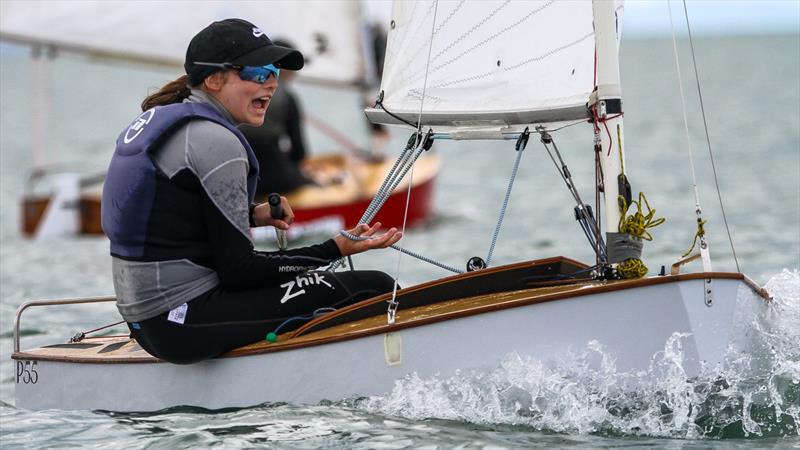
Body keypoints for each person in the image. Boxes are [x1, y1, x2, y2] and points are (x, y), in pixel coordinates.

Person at [101, 18, 402, 364]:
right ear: (214, 79)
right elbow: (240, 271)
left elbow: (169, 219)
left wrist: (252, 214)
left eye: (274, 72)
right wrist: (334, 248)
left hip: (146, 324)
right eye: (259, 73)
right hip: (183, 325)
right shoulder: (216, 141)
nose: (272, 84)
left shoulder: (164, 119)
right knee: (375, 286)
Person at [239, 39, 311, 198]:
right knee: (311, 181)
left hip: (241, 176)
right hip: (277, 178)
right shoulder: (288, 98)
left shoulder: (241, 91)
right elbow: (299, 152)